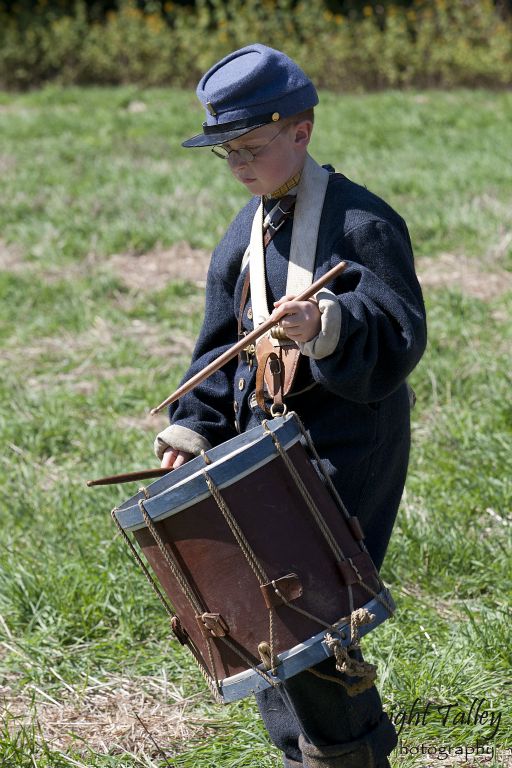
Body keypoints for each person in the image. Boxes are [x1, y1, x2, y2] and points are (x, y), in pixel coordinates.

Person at [154, 43, 427, 768]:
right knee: (256, 609)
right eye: (226, 153)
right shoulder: (238, 239)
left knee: (313, 612)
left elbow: (398, 331)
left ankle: (349, 755)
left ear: (301, 131)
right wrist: (195, 427)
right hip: (262, 443)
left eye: (251, 146)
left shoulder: (363, 223)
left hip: (348, 442)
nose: (240, 165)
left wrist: (329, 326)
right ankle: (302, 753)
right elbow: (220, 348)